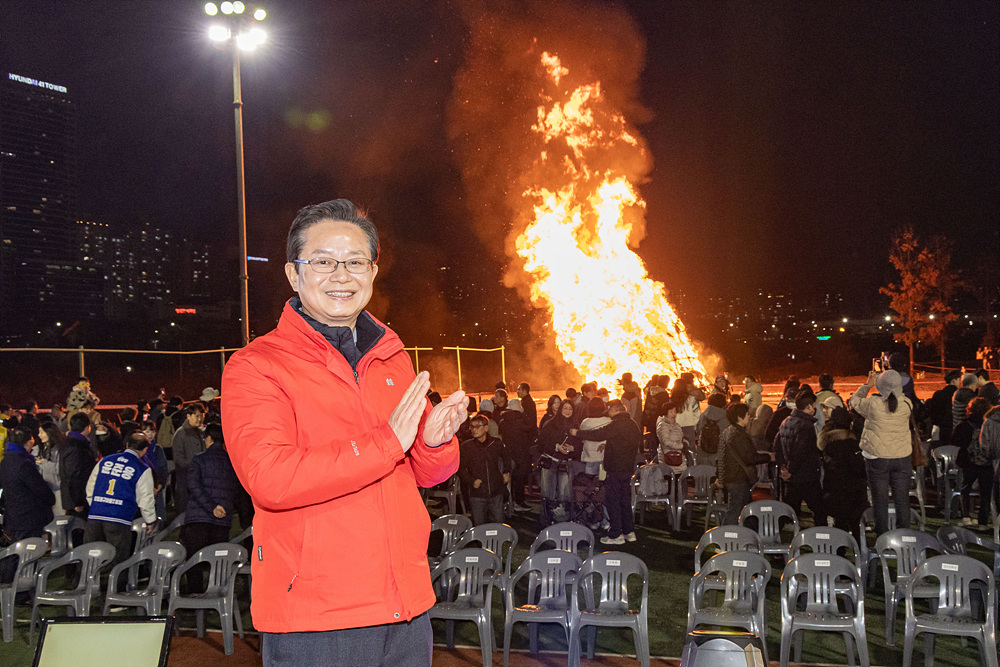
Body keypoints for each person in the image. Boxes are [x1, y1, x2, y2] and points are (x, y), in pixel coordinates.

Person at [221, 199, 466, 666]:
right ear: (294, 274)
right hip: (318, 617)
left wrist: (434, 443)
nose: (341, 275)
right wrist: (387, 442)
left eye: (355, 262)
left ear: (372, 273)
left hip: (408, 606)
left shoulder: (390, 357)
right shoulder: (257, 366)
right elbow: (271, 478)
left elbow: (426, 475)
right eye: (323, 262)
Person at [852, 369, 914, 536]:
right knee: (902, 500)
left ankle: (882, 536)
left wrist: (867, 385)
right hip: (902, 457)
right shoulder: (907, 403)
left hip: (877, 458)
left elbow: (855, 401)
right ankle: (904, 535)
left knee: (880, 500)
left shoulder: (873, 405)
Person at [180, 422, 240, 589]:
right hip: (222, 516)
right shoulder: (232, 462)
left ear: (209, 439)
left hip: (199, 515)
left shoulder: (199, 459)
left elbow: (193, 486)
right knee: (218, 558)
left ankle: (194, 593)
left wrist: (210, 507)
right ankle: (218, 592)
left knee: (194, 558)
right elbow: (236, 487)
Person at [573, 400, 641, 545]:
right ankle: (629, 531)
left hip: (615, 468)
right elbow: (624, 442)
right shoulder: (632, 424)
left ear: (614, 410)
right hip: (627, 467)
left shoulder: (617, 424)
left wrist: (577, 433)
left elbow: (597, 434)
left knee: (613, 500)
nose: (608, 415)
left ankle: (616, 534)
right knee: (624, 500)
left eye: (609, 412)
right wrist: (609, 445)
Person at [84, 431, 157, 567]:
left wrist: (95, 505)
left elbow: (90, 486)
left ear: (127, 444)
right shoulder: (142, 468)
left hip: (96, 515)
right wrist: (150, 520)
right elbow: (145, 498)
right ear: (145, 449)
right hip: (119, 517)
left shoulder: (105, 460)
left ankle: (85, 584)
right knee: (119, 559)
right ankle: (116, 586)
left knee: (90, 556)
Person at [775, 391, 826, 527]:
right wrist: (790, 469)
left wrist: (783, 467)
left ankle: (773, 537)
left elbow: (777, 446)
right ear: (809, 407)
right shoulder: (806, 426)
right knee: (819, 510)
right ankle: (823, 541)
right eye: (814, 406)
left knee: (787, 510)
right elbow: (801, 451)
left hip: (791, 476)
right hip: (806, 475)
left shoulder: (786, 421)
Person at [716, 404, 772, 525]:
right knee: (735, 511)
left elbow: (721, 456)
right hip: (738, 477)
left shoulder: (728, 431)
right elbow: (749, 457)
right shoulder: (738, 435)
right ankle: (726, 538)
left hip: (734, 476)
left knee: (748, 510)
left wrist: (720, 476)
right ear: (739, 417)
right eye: (747, 414)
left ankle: (751, 536)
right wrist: (769, 457)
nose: (749, 416)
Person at [818, 406, 868, 540]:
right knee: (856, 527)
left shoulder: (827, 444)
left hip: (834, 493)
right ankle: (859, 551)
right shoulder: (850, 444)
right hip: (853, 494)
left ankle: (839, 554)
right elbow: (858, 468)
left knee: (839, 526)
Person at [458, 414, 510, 525]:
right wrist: (471, 481)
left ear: (486, 428)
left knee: (498, 524)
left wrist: (506, 471)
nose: (474, 430)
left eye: (478, 426)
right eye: (472, 427)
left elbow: (507, 457)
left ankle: (498, 542)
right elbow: (460, 469)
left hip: (496, 492)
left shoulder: (495, 443)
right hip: (477, 494)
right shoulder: (467, 447)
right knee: (479, 526)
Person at [536, 400, 580, 526]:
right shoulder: (551, 424)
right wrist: (556, 447)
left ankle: (563, 521)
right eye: (565, 408)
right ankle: (547, 521)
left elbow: (580, 444)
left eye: (570, 409)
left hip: (566, 463)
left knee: (564, 493)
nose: (567, 411)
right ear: (560, 409)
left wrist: (572, 448)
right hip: (550, 461)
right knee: (547, 493)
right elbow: (541, 443)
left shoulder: (575, 426)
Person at [952, 397, 992, 529]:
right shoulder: (989, 424)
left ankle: (966, 517)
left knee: (965, 489)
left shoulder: (964, 425)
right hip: (987, 463)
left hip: (967, 462)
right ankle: (983, 521)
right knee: (986, 492)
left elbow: (955, 441)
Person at [496, 399, 535, 512]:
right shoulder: (520, 421)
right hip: (521, 453)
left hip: (508, 454)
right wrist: (523, 413)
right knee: (519, 479)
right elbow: (530, 427)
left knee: (509, 481)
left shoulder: (502, 421)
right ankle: (519, 502)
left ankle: (509, 502)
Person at [60, 412, 97, 518]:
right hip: (77, 500)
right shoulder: (76, 447)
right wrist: (78, 501)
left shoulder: (74, 443)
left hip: (77, 497)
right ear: (87, 427)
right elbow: (74, 475)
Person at [172, 403, 206, 512]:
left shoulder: (202, 432)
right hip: (186, 476)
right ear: (188, 416)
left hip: (201, 475)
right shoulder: (181, 433)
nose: (199, 419)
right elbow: (178, 458)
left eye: (201, 416)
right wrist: (193, 466)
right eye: (196, 416)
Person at [925, 370, 962, 445]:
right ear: (954, 381)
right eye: (959, 380)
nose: (960, 382)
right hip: (958, 430)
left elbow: (933, 415)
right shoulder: (959, 394)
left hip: (942, 431)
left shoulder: (938, 395)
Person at [36, 422, 65, 516]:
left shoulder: (60, 449)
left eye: (42, 432)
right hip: (44, 491)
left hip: (57, 491)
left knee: (58, 518)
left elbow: (60, 468)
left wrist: (44, 463)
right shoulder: (39, 449)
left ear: (50, 433)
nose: (39, 435)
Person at [655, 400, 686, 475]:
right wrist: (680, 446)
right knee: (671, 476)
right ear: (666, 413)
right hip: (668, 456)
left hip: (677, 455)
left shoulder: (676, 424)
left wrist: (684, 442)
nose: (674, 414)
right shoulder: (663, 425)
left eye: (675, 411)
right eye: (671, 412)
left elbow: (681, 436)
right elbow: (665, 441)